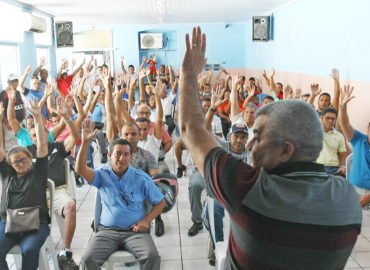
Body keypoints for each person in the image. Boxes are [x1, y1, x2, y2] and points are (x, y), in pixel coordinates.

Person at [178, 27, 362, 270]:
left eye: (258, 136)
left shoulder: (249, 188)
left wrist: (188, 73)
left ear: (286, 150)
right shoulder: (348, 198)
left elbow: (190, 129)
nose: (250, 143)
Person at [76, 120, 165, 270]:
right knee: (87, 259)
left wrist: (147, 220)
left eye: (126, 155)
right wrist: (85, 142)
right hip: (107, 232)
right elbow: (80, 169)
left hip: (134, 232)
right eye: (117, 154)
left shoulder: (141, 178)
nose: (121, 159)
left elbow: (160, 202)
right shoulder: (102, 175)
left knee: (152, 256)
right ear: (110, 155)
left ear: (131, 158)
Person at [27, 97, 80, 270]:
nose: (38, 137)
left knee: (71, 206)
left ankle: (65, 252)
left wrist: (67, 118)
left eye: (40, 133)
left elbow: (75, 137)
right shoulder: (26, 153)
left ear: (46, 132)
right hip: (35, 195)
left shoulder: (57, 147)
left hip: (57, 191)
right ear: (30, 137)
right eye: (34, 135)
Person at [0, 97, 49, 270]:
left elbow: (43, 143)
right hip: (8, 223)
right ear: (10, 164)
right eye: (16, 162)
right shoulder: (7, 174)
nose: (21, 164)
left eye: (23, 159)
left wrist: (37, 117)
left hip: (36, 223)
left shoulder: (38, 170)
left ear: (30, 158)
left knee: (28, 250)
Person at [338, 85, 370, 208]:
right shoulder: (359, 139)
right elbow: (344, 123)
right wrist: (342, 106)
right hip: (353, 191)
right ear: (368, 128)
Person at [316, 107, 347, 174]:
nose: (330, 121)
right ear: (321, 118)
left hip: (333, 169)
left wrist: (343, 166)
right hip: (315, 167)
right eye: (327, 118)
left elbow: (343, 154)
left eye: (333, 119)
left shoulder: (339, 136)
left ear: (336, 120)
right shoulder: (313, 132)